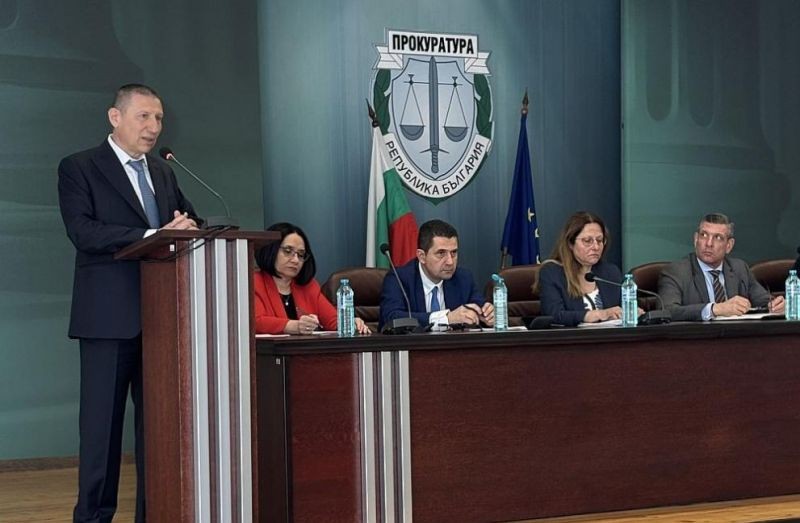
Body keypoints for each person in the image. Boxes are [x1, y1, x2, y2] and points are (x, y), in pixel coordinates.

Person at [58, 84, 199, 523]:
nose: (154, 127)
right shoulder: (80, 167)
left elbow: (189, 218)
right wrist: (152, 236)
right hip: (107, 319)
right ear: (115, 117)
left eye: (159, 118)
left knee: (157, 431)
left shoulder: (163, 171)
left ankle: (153, 514)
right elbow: (84, 232)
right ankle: (93, 517)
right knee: (101, 431)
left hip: (162, 319)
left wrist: (190, 226)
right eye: (144, 116)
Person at [658, 212, 784, 321]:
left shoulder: (739, 268)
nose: (709, 243)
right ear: (696, 239)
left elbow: (764, 300)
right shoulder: (677, 272)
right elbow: (666, 312)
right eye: (704, 235)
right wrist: (715, 309)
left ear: (729, 245)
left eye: (718, 238)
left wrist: (776, 305)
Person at [254, 222, 371, 335]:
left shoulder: (308, 287)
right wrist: (293, 326)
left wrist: (349, 323)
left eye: (301, 255)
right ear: (270, 250)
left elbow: (332, 320)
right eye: (288, 251)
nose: (295, 260)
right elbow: (255, 321)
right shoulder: (254, 282)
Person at [379, 219, 494, 331]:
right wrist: (446, 319)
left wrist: (488, 315)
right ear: (422, 256)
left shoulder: (463, 278)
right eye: (441, 253)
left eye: (453, 252)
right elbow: (391, 317)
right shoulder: (398, 279)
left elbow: (480, 308)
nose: (450, 262)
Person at [537, 211, 633, 327]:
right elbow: (553, 315)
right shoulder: (552, 273)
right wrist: (594, 315)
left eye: (599, 240)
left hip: (611, 337)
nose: (596, 247)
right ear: (570, 243)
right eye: (587, 241)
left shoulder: (610, 272)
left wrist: (631, 312)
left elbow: (620, 309)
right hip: (572, 337)